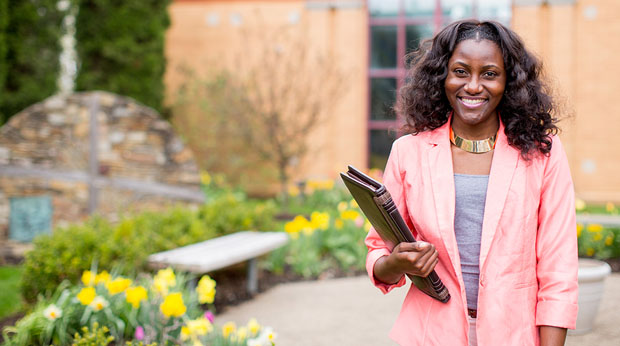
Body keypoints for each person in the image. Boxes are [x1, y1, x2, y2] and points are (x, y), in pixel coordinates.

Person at [365, 20, 578, 346]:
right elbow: (380, 251)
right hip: (430, 334)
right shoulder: (408, 153)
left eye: (490, 73)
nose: (474, 86)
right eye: (461, 71)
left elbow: (557, 267)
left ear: (510, 81)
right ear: (442, 77)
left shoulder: (542, 153)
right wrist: (396, 263)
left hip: (515, 334)